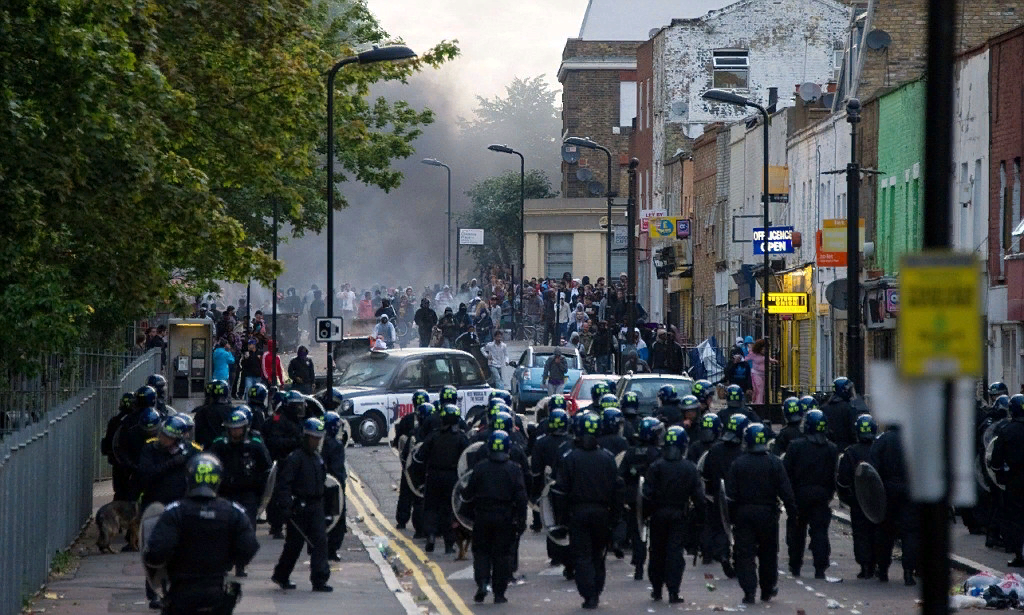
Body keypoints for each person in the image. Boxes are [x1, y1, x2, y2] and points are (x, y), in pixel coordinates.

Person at [143, 454, 259, 615]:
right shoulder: (233, 512)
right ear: (218, 480)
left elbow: (156, 553)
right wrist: (229, 559)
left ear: (189, 479)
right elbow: (249, 547)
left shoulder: (175, 511)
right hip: (216, 593)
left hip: (181, 592)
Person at [552, 412, 624, 609]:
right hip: (602, 514)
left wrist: (561, 519)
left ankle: (588, 594)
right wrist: (616, 517)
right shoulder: (608, 458)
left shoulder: (570, 458)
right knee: (597, 554)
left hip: (578, 514)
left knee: (582, 556)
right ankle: (596, 591)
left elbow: (560, 492)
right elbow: (617, 491)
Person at [727, 423, 798, 604]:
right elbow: (785, 490)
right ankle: (767, 589)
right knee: (768, 553)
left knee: (745, 554)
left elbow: (730, 495)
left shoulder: (738, 464)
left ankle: (749, 590)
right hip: (768, 513)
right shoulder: (774, 462)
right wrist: (792, 511)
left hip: (744, 514)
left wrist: (730, 517)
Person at [137, 415, 202, 608]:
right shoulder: (150, 449)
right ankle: (154, 592)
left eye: (168, 437)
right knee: (154, 551)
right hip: (155, 506)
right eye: (162, 434)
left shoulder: (192, 451)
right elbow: (145, 474)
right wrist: (172, 463)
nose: (163, 439)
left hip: (180, 508)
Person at [462, 429, 528, 604]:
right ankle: (499, 593)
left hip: (482, 516)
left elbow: (468, 494)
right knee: (502, 555)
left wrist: (466, 515)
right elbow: (521, 498)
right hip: (505, 518)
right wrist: (521, 521)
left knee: (482, 553)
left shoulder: (480, 467)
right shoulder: (514, 470)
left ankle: (483, 583)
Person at [643, 425, 705, 603]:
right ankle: (673, 591)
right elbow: (698, 497)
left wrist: (646, 514)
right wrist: (701, 518)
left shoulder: (656, 467)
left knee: (656, 552)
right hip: (679, 516)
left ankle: (656, 589)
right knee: (675, 553)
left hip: (658, 515)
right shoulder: (689, 468)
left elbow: (646, 494)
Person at [272, 417, 333, 592]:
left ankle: (319, 580)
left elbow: (323, 482)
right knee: (294, 545)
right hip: (300, 507)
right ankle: (281, 575)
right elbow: (284, 484)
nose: (316, 441)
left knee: (320, 542)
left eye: (318, 438)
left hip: (316, 506)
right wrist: (286, 506)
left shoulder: (317, 458)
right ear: (306, 437)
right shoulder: (295, 458)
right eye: (314, 438)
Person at [209, 408, 272, 577]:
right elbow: (209, 464)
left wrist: (260, 493)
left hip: (248, 493)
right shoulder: (219, 445)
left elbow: (267, 469)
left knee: (246, 530)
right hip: (226, 493)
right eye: (232, 428)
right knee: (225, 529)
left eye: (238, 428)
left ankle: (241, 564)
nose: (235, 432)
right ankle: (226, 561)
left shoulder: (255, 444)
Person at [783, 409, 839, 579]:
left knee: (797, 532)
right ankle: (820, 568)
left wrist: (788, 496)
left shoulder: (795, 446)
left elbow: (786, 472)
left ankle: (795, 566)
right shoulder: (831, 448)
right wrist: (829, 493)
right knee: (820, 532)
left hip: (799, 495)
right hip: (821, 496)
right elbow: (833, 474)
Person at [414, 404, 469, 553]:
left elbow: (420, 455)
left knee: (431, 507)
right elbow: (467, 459)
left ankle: (431, 535)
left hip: (433, 476)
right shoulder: (461, 438)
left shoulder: (434, 435)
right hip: (452, 477)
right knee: (449, 510)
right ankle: (449, 544)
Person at [702, 412, 749, 578]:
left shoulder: (714, 450)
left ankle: (722, 553)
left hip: (717, 496)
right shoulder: (744, 452)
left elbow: (705, 474)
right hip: (740, 498)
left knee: (721, 527)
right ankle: (736, 558)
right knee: (741, 530)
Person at [871, 424, 918, 585]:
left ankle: (883, 569)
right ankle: (908, 572)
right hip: (910, 491)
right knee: (910, 532)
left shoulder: (882, 441)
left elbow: (872, 469)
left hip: (887, 492)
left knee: (884, 532)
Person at [836, 414, 879, 579]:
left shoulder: (851, 453)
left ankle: (864, 565)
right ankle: (876, 564)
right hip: (876, 500)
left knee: (861, 534)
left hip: (858, 500)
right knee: (876, 531)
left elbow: (843, 479)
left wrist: (848, 498)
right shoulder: (878, 449)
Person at [620, 416, 664, 580]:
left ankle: (638, 565)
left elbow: (621, 474)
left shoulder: (630, 452)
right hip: (653, 498)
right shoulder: (657, 454)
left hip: (633, 499)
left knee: (637, 532)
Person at [263, 391, 306, 539]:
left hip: (295, 463)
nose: (300, 410)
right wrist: (295, 442)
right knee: (279, 496)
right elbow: (274, 442)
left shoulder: (295, 420)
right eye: (297, 407)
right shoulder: (279, 420)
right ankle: (277, 526)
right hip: (282, 462)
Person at [990, 394, 1024, 568]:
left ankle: (1020, 554)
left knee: (1016, 518)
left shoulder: (1007, 430)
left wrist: (998, 473)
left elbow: (996, 459)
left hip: (1015, 480)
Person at [322, 411, 348, 561]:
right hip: (334, 487)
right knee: (338, 520)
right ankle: (332, 550)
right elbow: (338, 470)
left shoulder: (320, 442)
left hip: (321, 485)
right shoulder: (336, 445)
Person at [821, 377, 869, 450]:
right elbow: (853, 433)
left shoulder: (823, 408)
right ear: (845, 391)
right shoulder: (849, 409)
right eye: (850, 390)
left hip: (827, 449)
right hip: (846, 449)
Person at [193, 380, 234, 449]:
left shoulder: (201, 411)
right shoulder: (233, 411)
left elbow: (197, 435)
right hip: (227, 449)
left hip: (206, 450)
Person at [746, 338, 775, 405]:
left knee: (762, 389)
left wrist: (774, 361)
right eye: (763, 348)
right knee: (759, 388)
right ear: (759, 348)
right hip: (756, 374)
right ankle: (759, 403)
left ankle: (756, 402)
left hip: (764, 374)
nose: (764, 350)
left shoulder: (765, 355)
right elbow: (746, 358)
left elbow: (769, 359)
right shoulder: (753, 354)